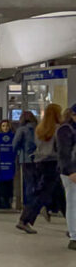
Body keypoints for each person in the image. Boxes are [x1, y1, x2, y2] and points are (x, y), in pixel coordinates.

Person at [16, 103, 64, 234]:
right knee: (42, 193)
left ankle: (72, 225)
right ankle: (25, 219)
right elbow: (59, 148)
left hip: (40, 162)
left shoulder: (40, 129)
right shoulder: (58, 129)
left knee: (60, 194)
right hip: (53, 163)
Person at [56, 103, 76, 250]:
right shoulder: (65, 130)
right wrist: (71, 172)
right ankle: (74, 236)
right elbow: (64, 153)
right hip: (71, 173)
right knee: (73, 203)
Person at [0, 120, 16, 209]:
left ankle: (8, 200)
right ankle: (1, 200)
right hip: (0, 164)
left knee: (9, 183)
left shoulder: (13, 137)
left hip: (10, 164)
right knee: (1, 183)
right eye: (3, 126)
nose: (5, 128)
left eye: (7, 126)